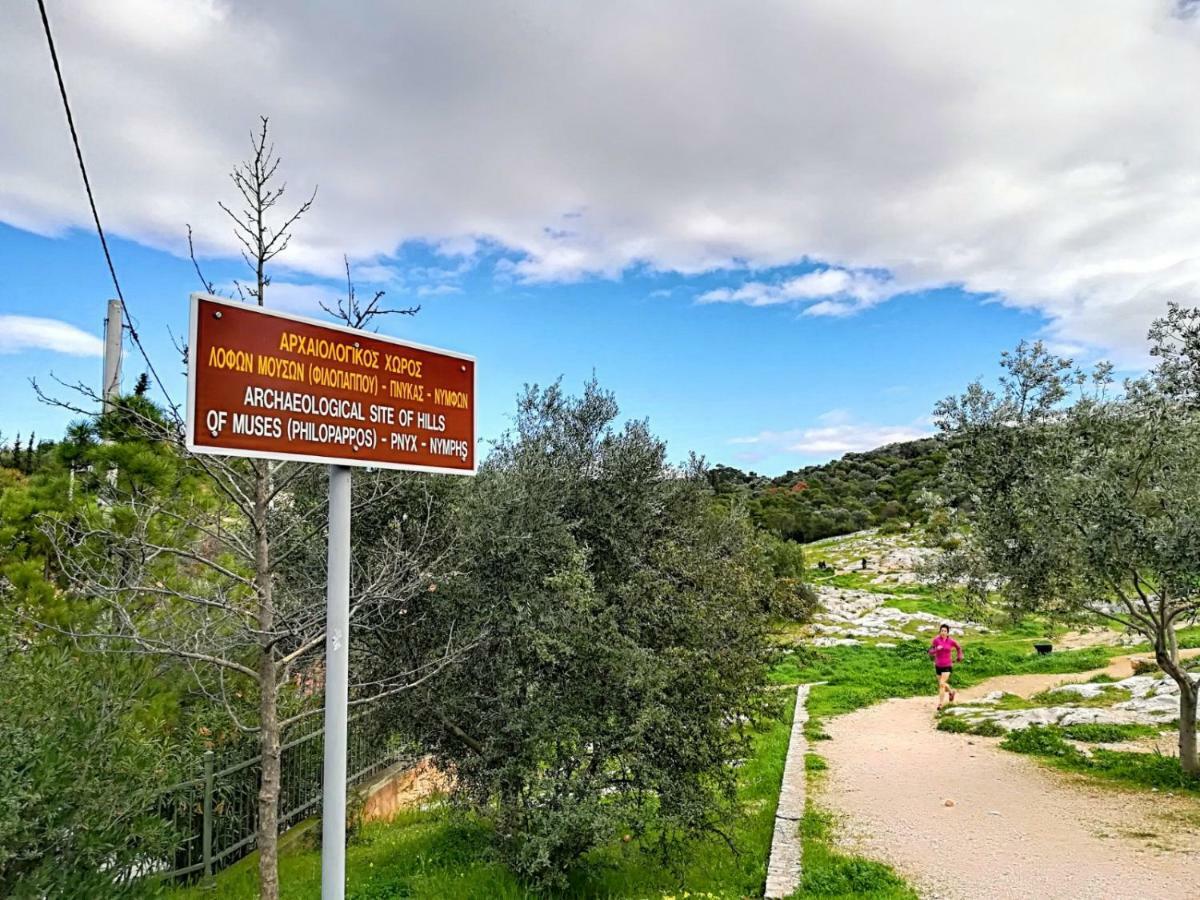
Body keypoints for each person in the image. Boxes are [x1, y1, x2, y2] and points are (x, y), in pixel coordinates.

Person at [929, 624, 963, 709]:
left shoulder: (951, 641)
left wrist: (959, 656)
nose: (943, 632)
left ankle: (940, 704)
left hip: (947, 665)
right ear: (939, 632)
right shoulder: (936, 640)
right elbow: (930, 651)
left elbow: (958, 648)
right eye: (942, 631)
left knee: (941, 684)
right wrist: (937, 649)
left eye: (945, 631)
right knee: (942, 684)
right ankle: (951, 692)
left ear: (948, 633)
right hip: (938, 665)